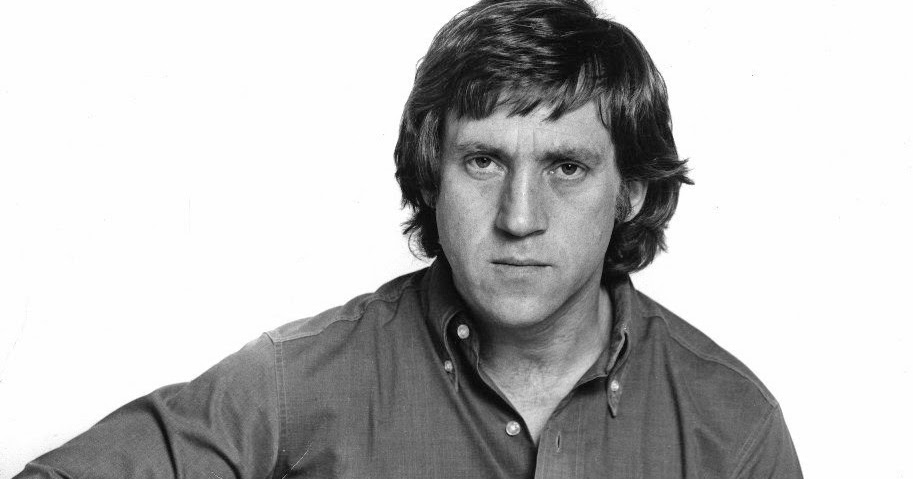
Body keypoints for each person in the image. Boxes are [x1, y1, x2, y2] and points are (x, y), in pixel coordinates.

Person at [14, 0, 802, 477]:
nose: (519, 215)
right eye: (483, 160)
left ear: (630, 190)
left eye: (566, 167)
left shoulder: (731, 425)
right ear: (430, 173)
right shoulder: (297, 382)